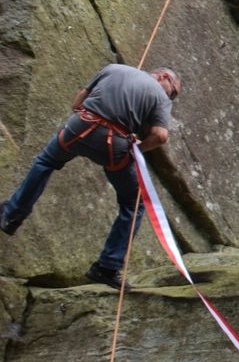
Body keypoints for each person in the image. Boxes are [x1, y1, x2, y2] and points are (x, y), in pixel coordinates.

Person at [0, 63, 182, 290]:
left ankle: (11, 215)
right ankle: (107, 267)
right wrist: (138, 149)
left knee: (46, 162)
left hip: (80, 126)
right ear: (164, 76)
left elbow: (77, 102)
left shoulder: (113, 68)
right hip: (113, 144)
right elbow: (160, 135)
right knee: (133, 203)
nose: (170, 97)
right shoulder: (159, 95)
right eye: (172, 92)